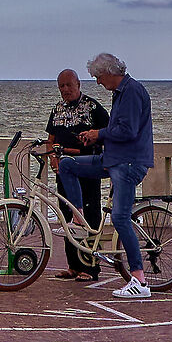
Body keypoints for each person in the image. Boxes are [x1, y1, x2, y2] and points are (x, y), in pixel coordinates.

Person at [54, 52, 154, 299]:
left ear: (110, 72)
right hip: (112, 159)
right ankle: (78, 219)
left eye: (98, 77)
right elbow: (117, 129)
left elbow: (128, 131)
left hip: (128, 163)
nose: (98, 82)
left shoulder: (131, 92)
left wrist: (99, 134)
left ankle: (139, 280)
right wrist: (98, 134)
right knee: (67, 165)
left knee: (120, 219)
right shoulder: (120, 93)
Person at [44, 67, 110, 280]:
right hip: (64, 170)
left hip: (87, 169)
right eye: (61, 86)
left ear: (78, 85)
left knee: (88, 215)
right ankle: (72, 265)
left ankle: (89, 268)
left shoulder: (92, 107)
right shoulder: (56, 110)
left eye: (68, 85)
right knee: (67, 216)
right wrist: (52, 157)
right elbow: (51, 139)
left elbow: (108, 134)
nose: (65, 90)